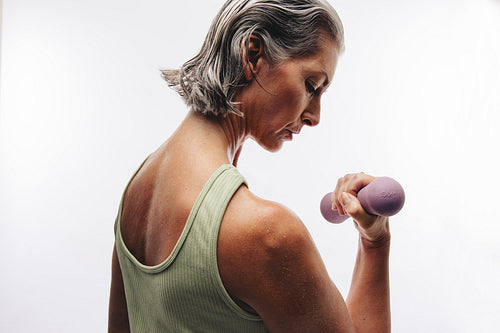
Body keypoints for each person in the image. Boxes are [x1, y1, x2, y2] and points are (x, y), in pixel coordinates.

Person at [108, 0, 392, 332]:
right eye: (312, 86)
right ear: (253, 54)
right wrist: (375, 241)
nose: (314, 116)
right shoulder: (265, 233)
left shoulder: (136, 192)